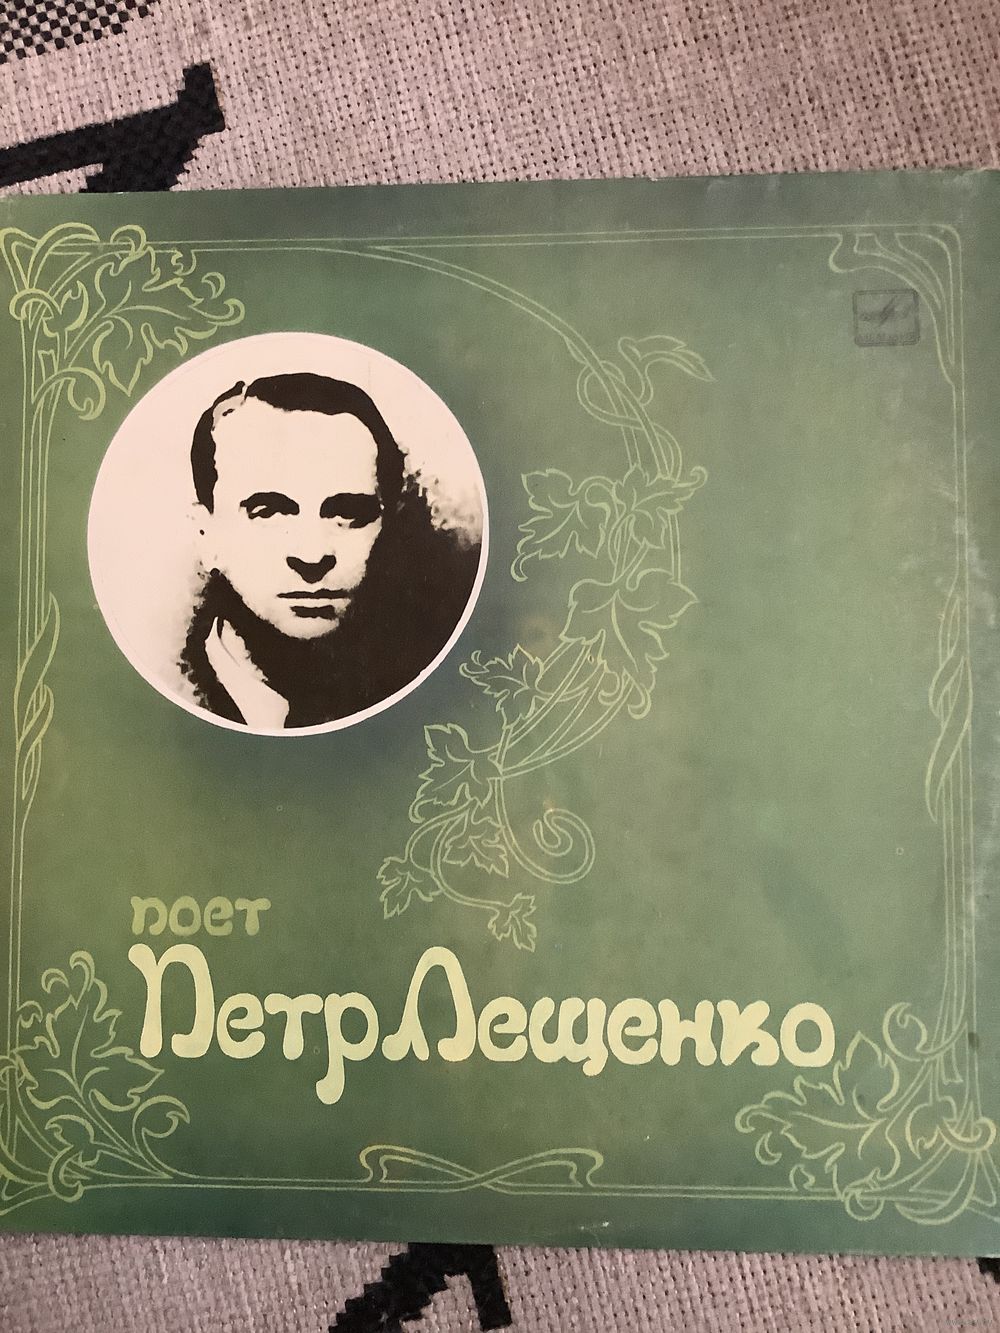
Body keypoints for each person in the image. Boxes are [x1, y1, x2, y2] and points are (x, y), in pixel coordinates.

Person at [180, 372, 482, 729]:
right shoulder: (175, 694)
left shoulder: (433, 695)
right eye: (269, 512)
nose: (312, 556)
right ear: (207, 536)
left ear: (387, 529)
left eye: (348, 515)